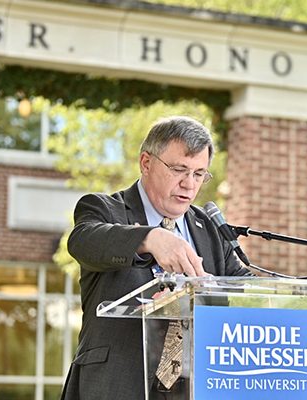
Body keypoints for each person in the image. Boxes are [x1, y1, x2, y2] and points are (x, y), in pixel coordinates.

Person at [60, 116, 251, 400]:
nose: (189, 184)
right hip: (116, 386)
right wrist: (150, 238)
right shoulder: (105, 209)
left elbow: (245, 289)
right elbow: (83, 241)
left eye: (199, 174)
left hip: (194, 389)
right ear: (146, 163)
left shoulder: (210, 229)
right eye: (179, 169)